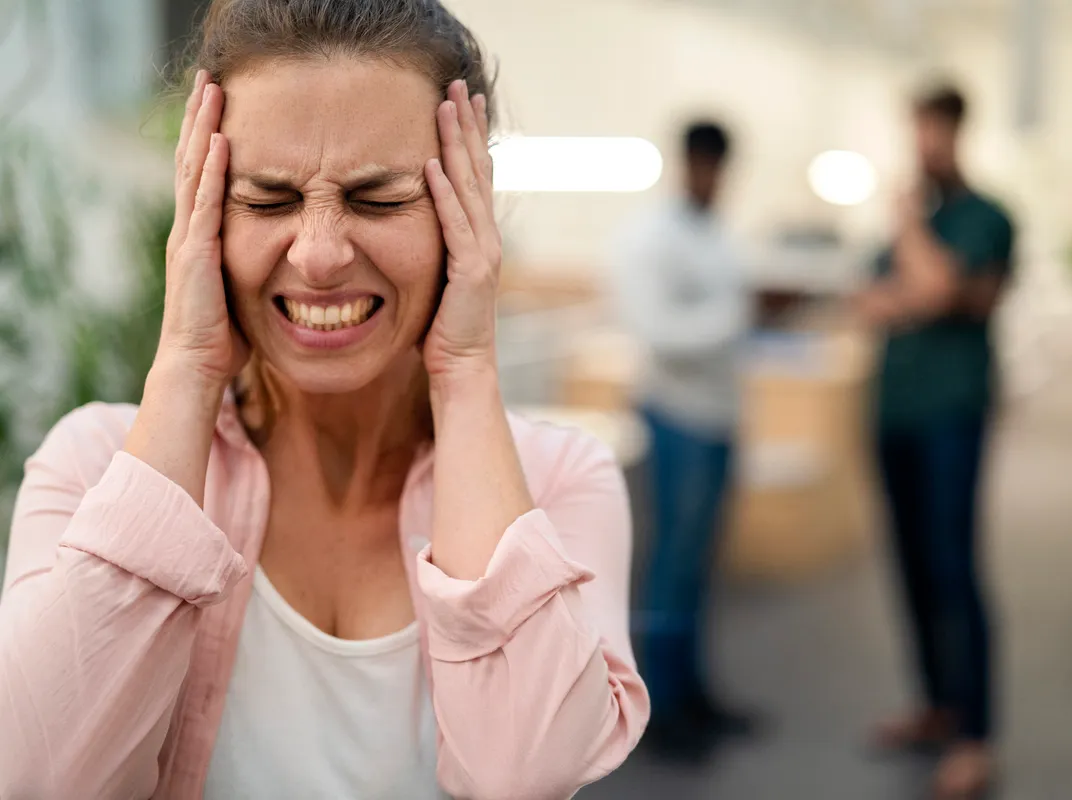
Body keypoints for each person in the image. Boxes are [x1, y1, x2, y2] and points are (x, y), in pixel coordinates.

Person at [0, 2, 649, 797]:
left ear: (468, 207)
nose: (318, 255)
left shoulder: (559, 481)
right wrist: (188, 362)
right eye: (266, 201)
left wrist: (468, 367)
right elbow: (39, 777)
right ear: (202, 211)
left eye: (380, 200)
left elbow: (526, 772)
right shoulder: (93, 466)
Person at [856, 85, 1015, 800]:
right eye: (918, 128)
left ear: (957, 132)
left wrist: (908, 234)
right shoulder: (919, 224)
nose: (926, 143)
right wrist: (916, 291)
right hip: (893, 416)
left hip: (952, 416)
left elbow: (943, 291)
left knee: (955, 568)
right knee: (912, 568)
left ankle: (975, 735)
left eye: (937, 129)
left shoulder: (986, 218)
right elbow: (872, 300)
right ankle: (936, 705)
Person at [612, 121, 752, 760]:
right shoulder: (651, 238)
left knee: (699, 567)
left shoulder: (715, 232)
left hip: (721, 418)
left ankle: (694, 691)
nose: (711, 177)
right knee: (671, 567)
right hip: (677, 418)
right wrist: (737, 320)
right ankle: (658, 708)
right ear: (687, 163)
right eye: (704, 165)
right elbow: (658, 332)